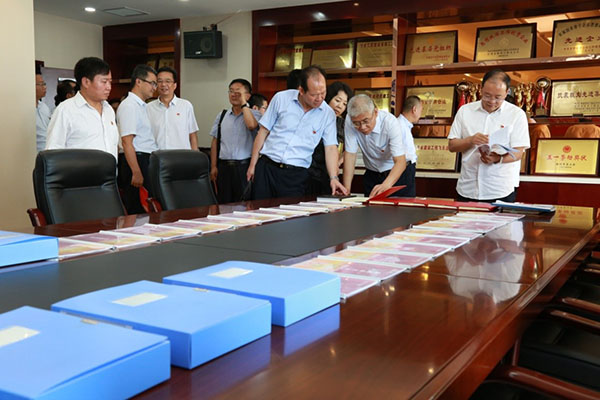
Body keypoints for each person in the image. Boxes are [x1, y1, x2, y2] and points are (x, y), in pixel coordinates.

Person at [247, 65, 348, 199]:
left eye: (323, 93)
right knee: (260, 209)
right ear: (301, 90)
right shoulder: (281, 98)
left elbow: (330, 148)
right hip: (267, 167)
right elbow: (263, 132)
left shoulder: (327, 114)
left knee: (290, 211)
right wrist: (252, 165)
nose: (319, 98)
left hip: (296, 175)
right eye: (314, 95)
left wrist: (333, 177)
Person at [448, 69, 530, 203]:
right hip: (467, 187)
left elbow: (519, 153)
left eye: (498, 97)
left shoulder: (516, 115)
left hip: (499, 189)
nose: (491, 101)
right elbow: (452, 146)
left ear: (507, 92)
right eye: (487, 95)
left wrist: (498, 159)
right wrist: (470, 140)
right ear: (481, 89)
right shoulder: (465, 111)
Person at [45, 57, 119, 159]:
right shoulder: (65, 110)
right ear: (86, 82)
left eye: (110, 82)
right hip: (77, 170)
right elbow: (52, 152)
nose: (109, 87)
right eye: (104, 81)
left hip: (109, 169)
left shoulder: (108, 109)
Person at [342, 94, 408, 198]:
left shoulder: (390, 123)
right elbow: (350, 155)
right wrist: (346, 190)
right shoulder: (350, 120)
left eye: (366, 121)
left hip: (395, 173)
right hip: (372, 173)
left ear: (376, 112)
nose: (362, 127)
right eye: (357, 123)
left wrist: (386, 185)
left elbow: (400, 161)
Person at [209, 79, 260, 203]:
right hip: (224, 167)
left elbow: (251, 125)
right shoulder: (222, 115)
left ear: (247, 96)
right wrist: (213, 166)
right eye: (231, 91)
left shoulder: (256, 114)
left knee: (244, 204)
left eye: (238, 92)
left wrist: (244, 104)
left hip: (244, 167)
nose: (233, 95)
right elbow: (215, 142)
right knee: (223, 204)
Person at [116, 64, 159, 214]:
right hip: (136, 160)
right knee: (138, 209)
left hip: (145, 158)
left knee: (148, 206)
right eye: (152, 83)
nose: (154, 88)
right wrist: (136, 171)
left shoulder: (142, 106)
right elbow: (127, 141)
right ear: (138, 82)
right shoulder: (129, 106)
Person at [306, 81, 353, 195]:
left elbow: (349, 149)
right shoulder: (314, 116)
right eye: (337, 100)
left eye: (344, 104)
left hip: (328, 174)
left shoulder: (342, 124)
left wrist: (338, 162)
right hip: (308, 170)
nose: (340, 106)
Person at [147, 66, 199, 151]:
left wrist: (195, 156)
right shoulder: (149, 108)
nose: (163, 84)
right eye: (160, 81)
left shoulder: (186, 106)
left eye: (168, 81)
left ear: (175, 85)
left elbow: (192, 135)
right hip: (157, 156)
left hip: (182, 156)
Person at [395, 95, 422, 197]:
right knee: (404, 202)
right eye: (421, 110)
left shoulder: (406, 125)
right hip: (402, 171)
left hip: (408, 169)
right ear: (414, 109)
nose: (421, 114)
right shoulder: (398, 125)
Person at [35, 68, 51, 152]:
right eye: (41, 84)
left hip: (49, 152)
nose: (44, 87)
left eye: (44, 84)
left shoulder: (44, 107)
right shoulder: (22, 109)